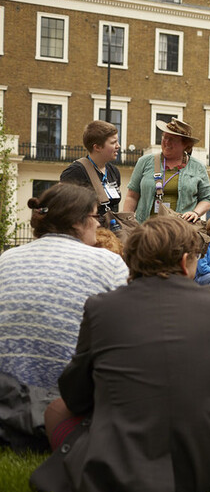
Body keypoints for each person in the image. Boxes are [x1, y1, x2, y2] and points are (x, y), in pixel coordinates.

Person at [31, 216, 210, 492]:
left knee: (56, 410)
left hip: (118, 460)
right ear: (184, 262)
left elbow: (76, 395)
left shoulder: (101, 307)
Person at [0, 184, 127, 450]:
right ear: (79, 220)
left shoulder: (6, 259)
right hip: (72, 407)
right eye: (95, 217)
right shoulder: (109, 263)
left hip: (7, 402)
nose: (99, 224)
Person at [123, 118, 210, 223]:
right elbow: (132, 196)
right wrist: (127, 223)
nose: (166, 142)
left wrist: (195, 213)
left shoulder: (198, 167)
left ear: (185, 145)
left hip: (181, 231)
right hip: (146, 231)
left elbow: (206, 199)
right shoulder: (144, 162)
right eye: (165, 137)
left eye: (172, 139)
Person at [59, 120, 122, 220]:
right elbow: (66, 210)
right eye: (113, 142)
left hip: (110, 232)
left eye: (117, 141)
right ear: (97, 147)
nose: (118, 146)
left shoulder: (114, 171)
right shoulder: (75, 172)